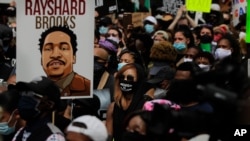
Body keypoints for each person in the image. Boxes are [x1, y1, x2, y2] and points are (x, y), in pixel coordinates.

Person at [106, 63, 154, 141]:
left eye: (130, 78)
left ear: (138, 81)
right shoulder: (113, 107)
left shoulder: (145, 106)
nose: (125, 80)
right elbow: (108, 136)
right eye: (122, 77)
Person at [39, 25, 90, 97]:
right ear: (41, 59)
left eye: (64, 48)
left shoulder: (89, 88)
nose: (55, 55)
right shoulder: (32, 90)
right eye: (48, 49)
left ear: (74, 57)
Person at [11, 76, 66, 141]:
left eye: (32, 95)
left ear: (49, 104)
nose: (25, 98)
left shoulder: (53, 137)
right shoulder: (21, 132)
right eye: (24, 93)